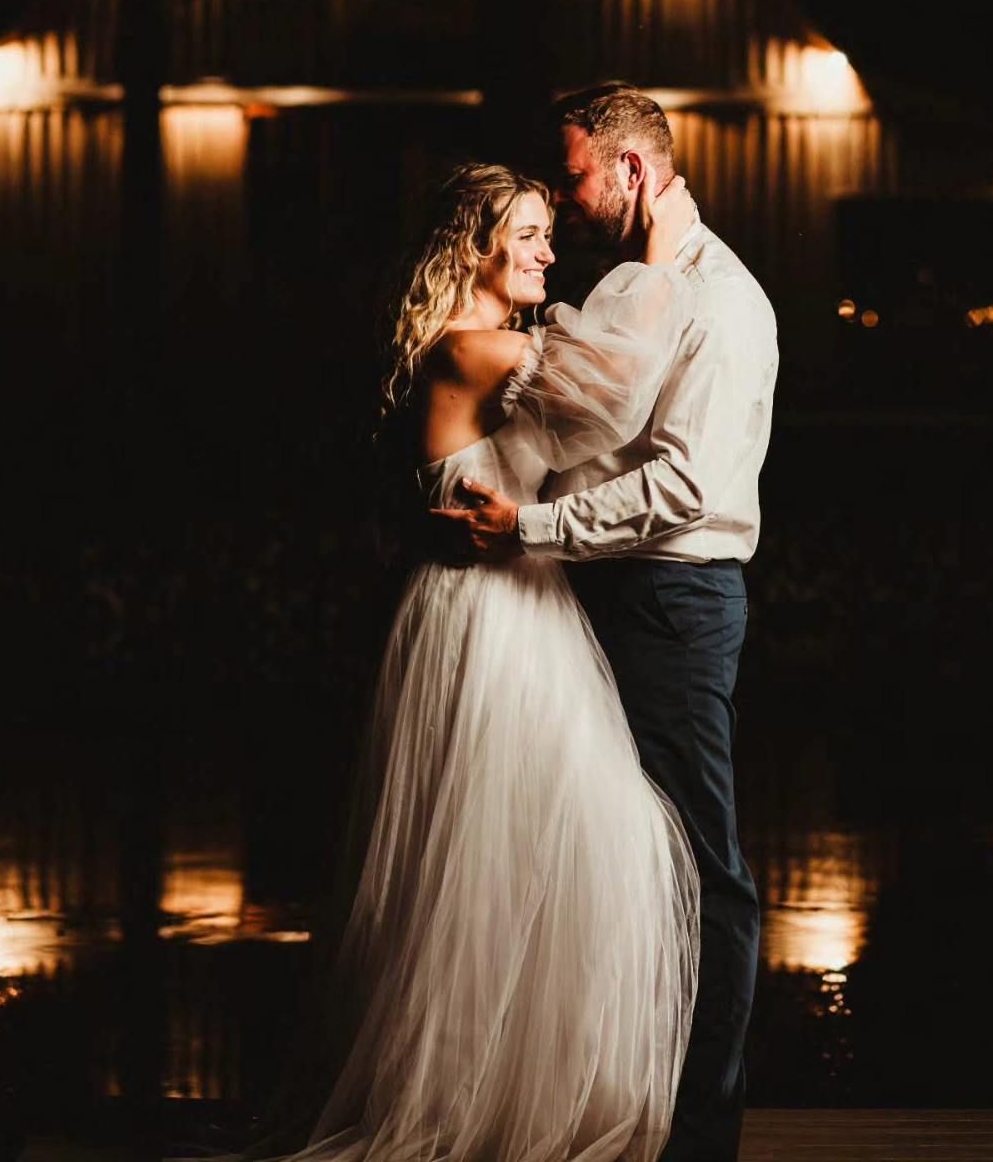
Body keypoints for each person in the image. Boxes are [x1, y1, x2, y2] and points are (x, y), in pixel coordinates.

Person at [261, 160, 701, 1162]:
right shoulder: (474, 349)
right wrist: (663, 256)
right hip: (490, 619)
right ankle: (486, 1098)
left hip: (508, 605)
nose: (552, 249)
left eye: (552, 227)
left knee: (537, 847)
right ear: (478, 248)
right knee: (506, 853)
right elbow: (622, 390)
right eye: (532, 232)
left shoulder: (473, 344)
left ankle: (515, 1087)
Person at [433, 85, 779, 1162]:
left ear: (630, 170)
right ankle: (608, 1093)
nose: (570, 204)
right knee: (611, 858)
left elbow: (679, 486)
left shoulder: (718, 301)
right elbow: (585, 412)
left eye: (576, 177)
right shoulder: (638, 288)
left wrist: (530, 522)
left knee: (702, 864)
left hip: (677, 597)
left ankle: (698, 1130)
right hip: (603, 590)